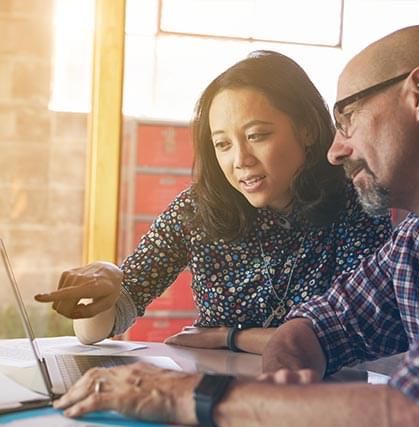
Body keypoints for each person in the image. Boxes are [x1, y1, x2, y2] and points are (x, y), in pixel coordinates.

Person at [51, 24, 419, 427]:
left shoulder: (360, 206)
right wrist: (278, 401)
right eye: (222, 143)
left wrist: (192, 387)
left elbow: (417, 419)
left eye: (348, 120)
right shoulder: (418, 240)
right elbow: (324, 324)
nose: (337, 150)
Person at [35, 51, 391, 354]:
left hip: (321, 402)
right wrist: (107, 280)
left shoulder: (356, 202)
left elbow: (355, 333)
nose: (241, 160)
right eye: (223, 144)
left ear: (307, 130)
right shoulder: (197, 209)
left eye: (257, 136)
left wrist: (230, 338)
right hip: (215, 398)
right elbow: (96, 331)